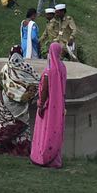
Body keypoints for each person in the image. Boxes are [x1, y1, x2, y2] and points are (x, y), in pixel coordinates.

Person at [0, 46, 39, 156]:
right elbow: (38, 83)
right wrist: (25, 96)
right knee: (23, 130)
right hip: (22, 107)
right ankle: (22, 151)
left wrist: (10, 89)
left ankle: (3, 149)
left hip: (6, 106)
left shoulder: (6, 68)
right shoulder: (28, 68)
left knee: (5, 124)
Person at [30, 41, 67, 169]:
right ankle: (55, 159)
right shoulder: (62, 68)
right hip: (59, 105)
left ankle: (43, 156)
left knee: (45, 132)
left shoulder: (48, 71)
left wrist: (40, 106)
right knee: (56, 130)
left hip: (48, 108)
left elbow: (45, 91)